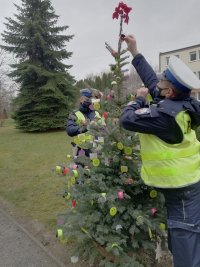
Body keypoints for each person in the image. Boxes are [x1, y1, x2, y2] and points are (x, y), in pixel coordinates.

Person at [120, 34, 200, 267]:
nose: (158, 83)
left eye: (163, 82)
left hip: (182, 190)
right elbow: (150, 79)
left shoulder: (165, 117)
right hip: (189, 183)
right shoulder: (185, 103)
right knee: (187, 235)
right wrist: (134, 51)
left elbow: (127, 120)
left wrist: (138, 100)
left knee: (186, 244)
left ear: (169, 92)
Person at [66, 88, 101, 158]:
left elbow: (104, 130)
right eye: (86, 99)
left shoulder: (97, 113)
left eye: (90, 99)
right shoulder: (74, 114)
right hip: (80, 152)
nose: (88, 101)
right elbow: (69, 130)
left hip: (96, 151)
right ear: (80, 99)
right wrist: (84, 127)